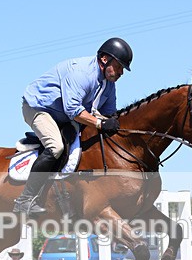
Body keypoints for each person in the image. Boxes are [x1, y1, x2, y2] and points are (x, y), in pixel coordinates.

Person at [15, 37, 133, 215]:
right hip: (38, 107)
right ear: (104, 59)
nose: (121, 72)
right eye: (119, 66)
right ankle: (25, 200)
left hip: (63, 114)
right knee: (56, 147)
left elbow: (109, 114)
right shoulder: (82, 74)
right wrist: (100, 123)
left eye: (122, 69)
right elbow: (74, 111)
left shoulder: (109, 84)